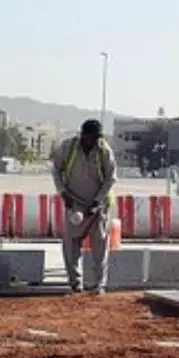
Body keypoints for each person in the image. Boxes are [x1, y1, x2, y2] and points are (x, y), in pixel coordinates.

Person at [52, 118, 117, 294]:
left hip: (98, 204)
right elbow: (56, 170)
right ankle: (75, 283)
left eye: (97, 138)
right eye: (91, 138)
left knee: (100, 245)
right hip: (74, 203)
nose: (94, 142)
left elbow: (111, 178)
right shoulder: (68, 148)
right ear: (83, 136)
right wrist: (63, 193)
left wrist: (97, 202)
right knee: (71, 243)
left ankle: (98, 284)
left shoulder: (104, 151)